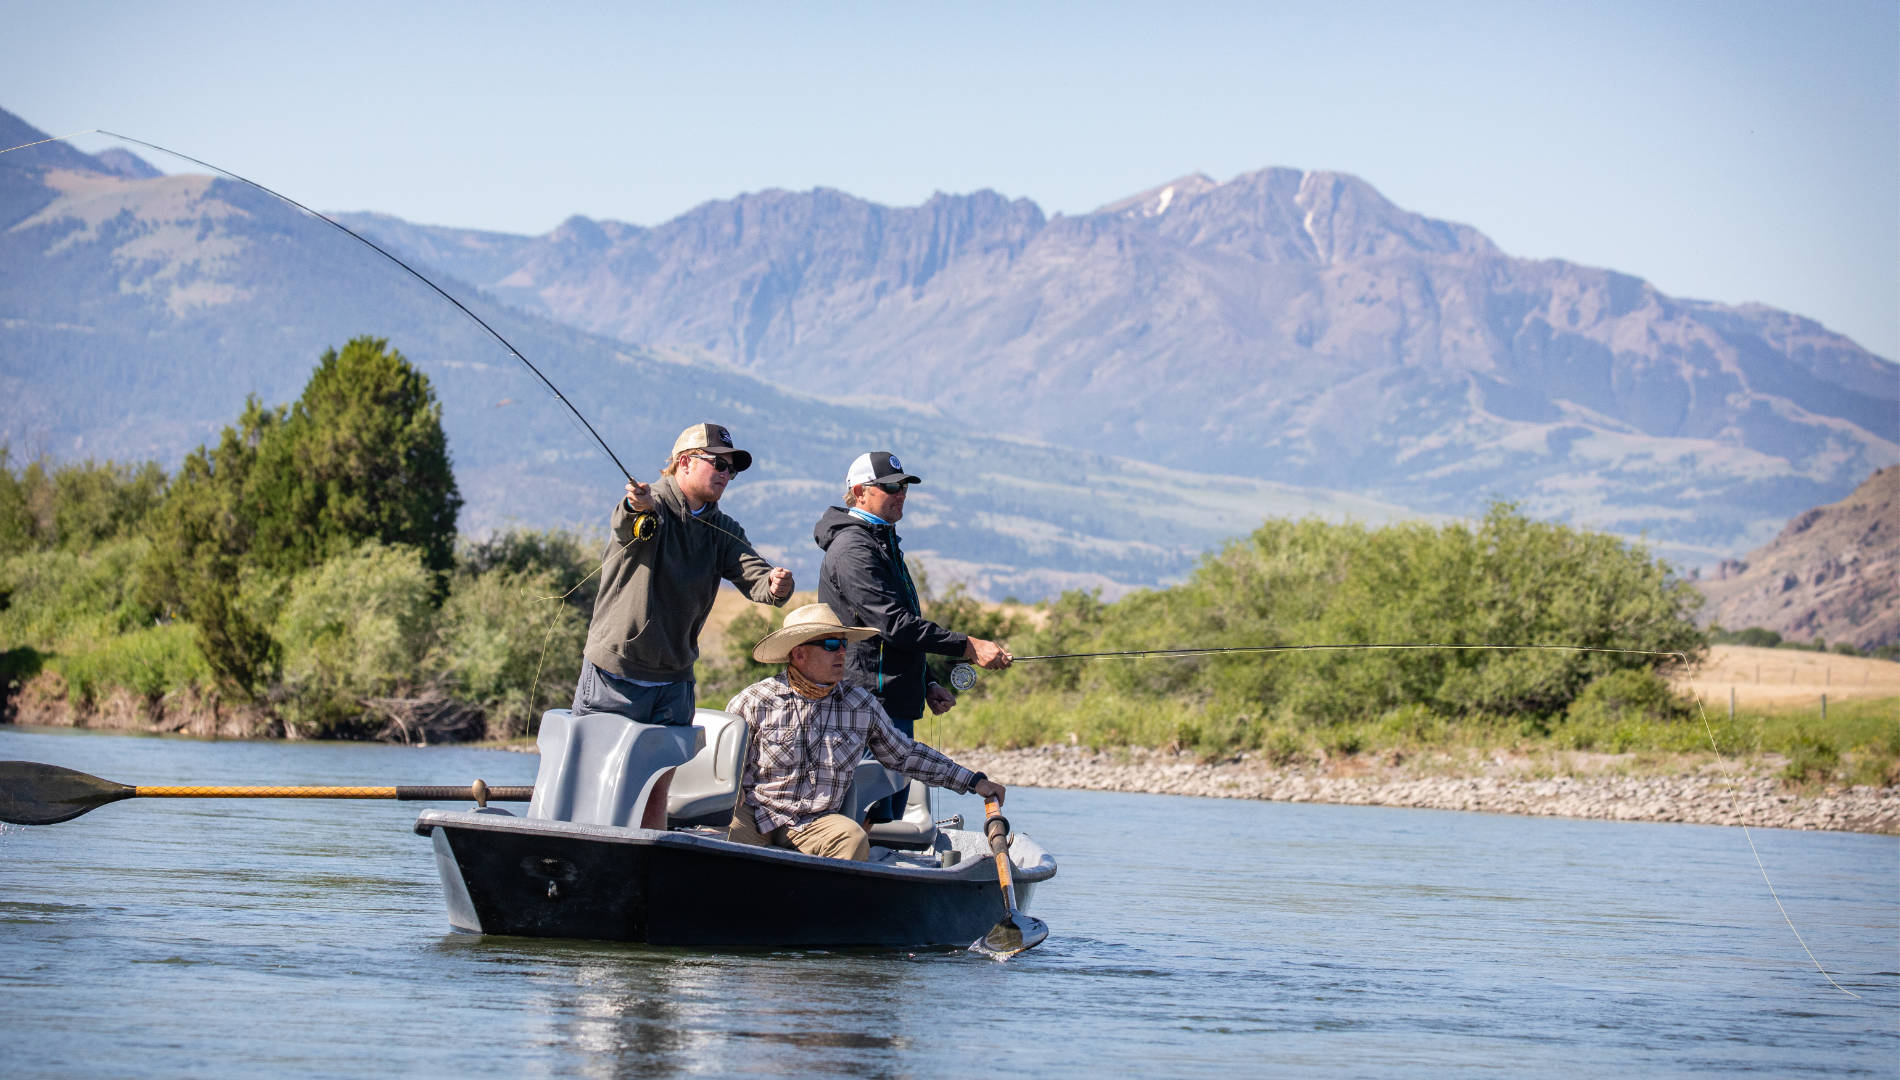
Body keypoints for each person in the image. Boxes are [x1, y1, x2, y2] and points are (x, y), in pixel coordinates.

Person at [574, 422, 794, 826]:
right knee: (596, 785)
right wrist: (636, 508)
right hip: (614, 674)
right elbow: (627, 524)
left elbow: (759, 582)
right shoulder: (649, 506)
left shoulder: (724, 530)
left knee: (657, 787)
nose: (726, 474)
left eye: (732, 469)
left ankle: (647, 870)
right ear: (683, 463)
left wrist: (777, 585)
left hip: (674, 681)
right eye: (718, 464)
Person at [724, 603, 1006, 861]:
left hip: (816, 823)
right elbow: (724, 775)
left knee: (853, 838)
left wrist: (974, 782)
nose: (843, 653)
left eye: (844, 644)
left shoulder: (861, 705)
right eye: (832, 645)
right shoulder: (753, 701)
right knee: (718, 832)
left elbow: (905, 755)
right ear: (799, 653)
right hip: (755, 814)